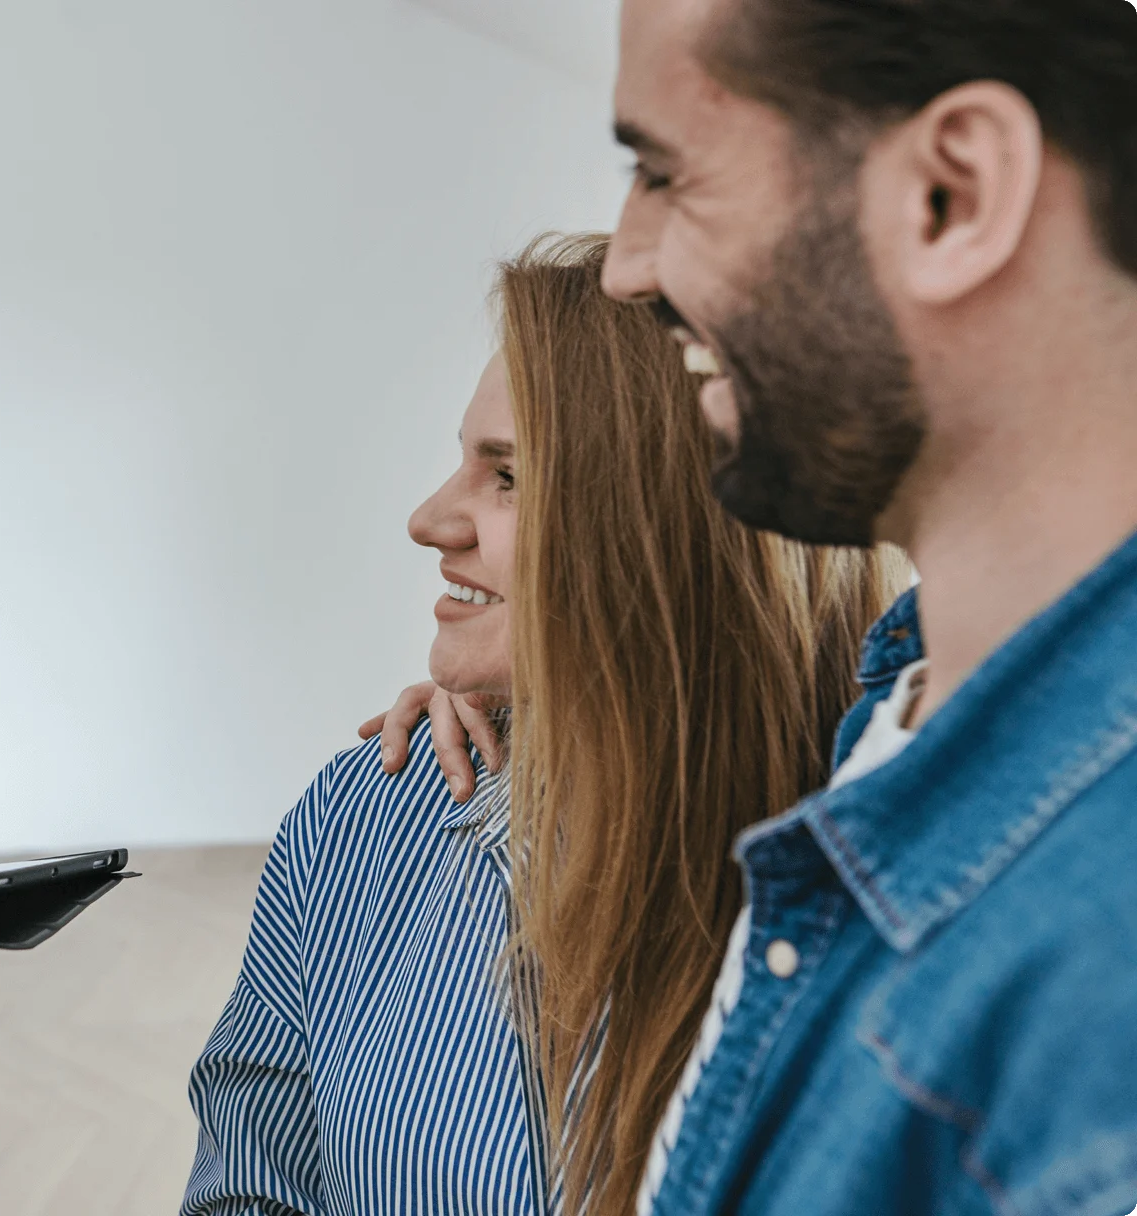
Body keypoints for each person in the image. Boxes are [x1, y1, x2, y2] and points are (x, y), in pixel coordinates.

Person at [181, 233, 899, 1216]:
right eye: (463, 464)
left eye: (508, 477)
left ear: (671, 526)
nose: (430, 519)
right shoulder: (364, 815)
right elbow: (249, 1183)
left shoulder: (893, 897)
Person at [596, 0, 1137, 1211]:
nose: (625, 267)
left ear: (952, 195)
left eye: (663, 175)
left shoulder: (1099, 1017)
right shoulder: (906, 709)